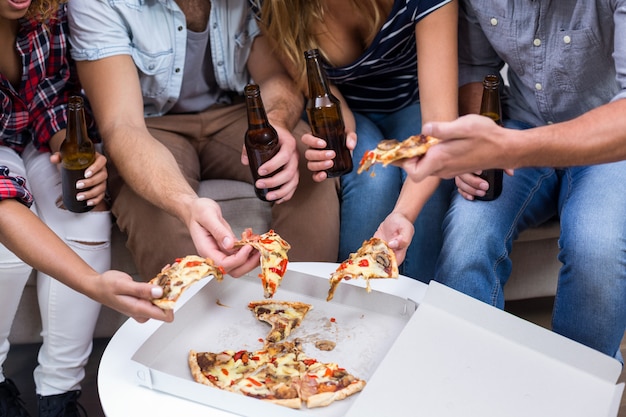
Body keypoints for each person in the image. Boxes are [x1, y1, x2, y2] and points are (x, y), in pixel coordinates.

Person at [380, 0, 626, 360]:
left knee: (597, 248)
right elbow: (476, 70)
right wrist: (477, 138)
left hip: (607, 141)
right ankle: (466, 385)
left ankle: (577, 395)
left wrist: (511, 147)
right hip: (519, 125)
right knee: (467, 239)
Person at [67, 0, 341, 283]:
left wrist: (276, 123)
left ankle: (301, 311)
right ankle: (196, 321)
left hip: (236, 112)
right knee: (155, 205)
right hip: (148, 127)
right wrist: (185, 204)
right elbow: (122, 126)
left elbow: (273, 75)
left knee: (310, 164)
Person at [0, 0, 170, 415]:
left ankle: (59, 394)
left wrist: (72, 150)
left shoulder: (46, 12)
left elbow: (47, 94)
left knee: (87, 209)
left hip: (31, 137)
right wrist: (93, 283)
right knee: (9, 250)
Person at [254, 0, 458, 281]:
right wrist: (339, 131)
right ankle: (353, 306)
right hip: (346, 107)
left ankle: (420, 308)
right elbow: (319, 89)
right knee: (372, 176)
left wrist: (403, 215)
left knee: (430, 187)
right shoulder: (274, 5)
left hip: (416, 105)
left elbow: (439, 129)